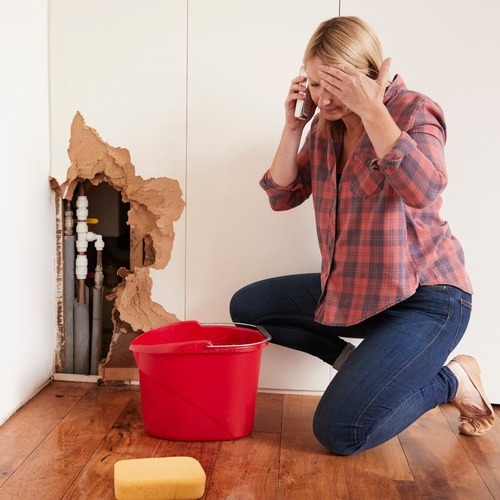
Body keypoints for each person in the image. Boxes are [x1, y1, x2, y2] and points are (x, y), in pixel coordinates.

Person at [230, 16, 495, 455]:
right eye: (317, 84)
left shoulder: (413, 109)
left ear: (370, 73)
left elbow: (424, 188)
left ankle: (453, 381)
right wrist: (294, 126)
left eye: (338, 83)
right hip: (360, 291)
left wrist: (373, 110)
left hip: (428, 300)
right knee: (250, 309)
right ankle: (356, 363)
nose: (326, 97)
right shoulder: (323, 128)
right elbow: (281, 196)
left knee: (340, 433)